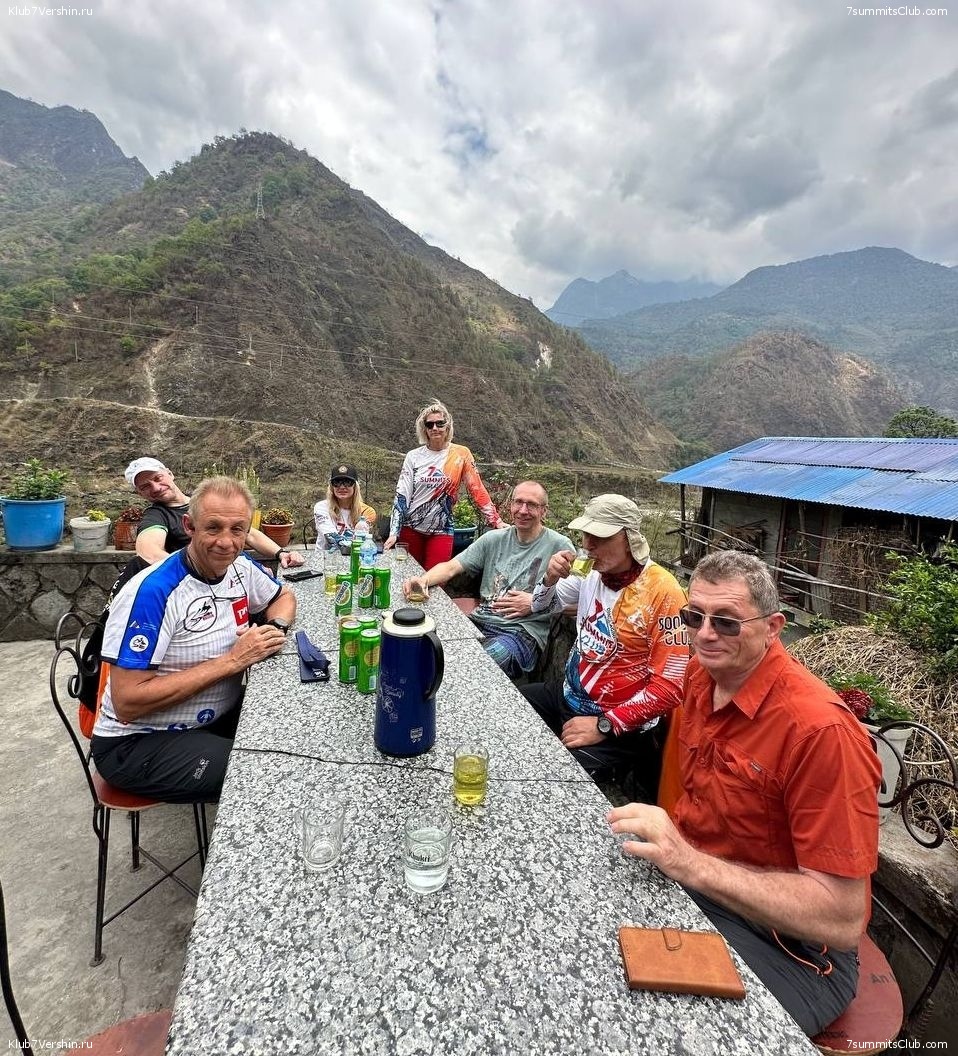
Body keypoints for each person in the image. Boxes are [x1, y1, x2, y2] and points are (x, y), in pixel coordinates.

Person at [608, 551, 881, 1036]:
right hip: (702, 888)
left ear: (773, 627)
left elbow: (841, 919)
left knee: (667, 1030)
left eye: (727, 622)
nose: (705, 634)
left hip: (790, 947)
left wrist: (689, 863)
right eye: (694, 617)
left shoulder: (821, 734)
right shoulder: (702, 675)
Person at [91, 476, 297, 803]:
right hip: (137, 742)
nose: (226, 542)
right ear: (189, 526)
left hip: (216, 718)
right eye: (213, 528)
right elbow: (127, 701)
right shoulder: (154, 592)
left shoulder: (239, 566)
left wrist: (276, 628)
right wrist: (234, 660)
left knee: (297, 732)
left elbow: (283, 596)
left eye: (237, 529)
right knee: (267, 774)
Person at [521, 494, 689, 800]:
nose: (588, 545)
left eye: (600, 537)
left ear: (629, 539)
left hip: (620, 720)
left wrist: (604, 725)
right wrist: (549, 578)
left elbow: (670, 687)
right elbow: (541, 605)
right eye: (586, 535)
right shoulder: (589, 569)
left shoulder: (664, 592)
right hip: (569, 694)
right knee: (511, 707)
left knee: (558, 783)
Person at [402, 481, 574, 679]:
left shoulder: (559, 546)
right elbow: (450, 567)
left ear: (544, 510)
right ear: (511, 505)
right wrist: (423, 580)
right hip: (480, 620)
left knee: (478, 664)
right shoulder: (493, 539)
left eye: (532, 505)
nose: (523, 510)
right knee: (426, 646)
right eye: (518, 502)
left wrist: (535, 602)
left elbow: (579, 597)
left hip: (520, 633)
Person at [383, 400, 504, 570]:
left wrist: (496, 521)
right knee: (408, 575)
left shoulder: (461, 454)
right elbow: (402, 494)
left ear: (447, 426)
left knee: (436, 579)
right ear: (424, 429)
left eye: (440, 423)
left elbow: (477, 489)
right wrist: (394, 532)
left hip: (442, 528)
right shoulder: (413, 456)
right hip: (411, 527)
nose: (435, 428)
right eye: (429, 424)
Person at [125, 457, 304, 569]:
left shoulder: (203, 502)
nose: (156, 487)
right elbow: (149, 551)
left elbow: (250, 534)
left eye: (158, 478)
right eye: (145, 486)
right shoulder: (156, 516)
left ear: (170, 474)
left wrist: (281, 553)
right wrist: (202, 572)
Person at [313, 462, 377, 549]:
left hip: (353, 554)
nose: (342, 487)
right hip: (325, 555)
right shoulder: (321, 507)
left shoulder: (367, 511)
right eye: (337, 482)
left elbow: (362, 540)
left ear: (355, 486)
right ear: (332, 487)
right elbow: (331, 537)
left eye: (347, 482)